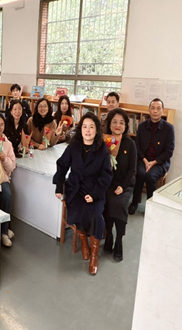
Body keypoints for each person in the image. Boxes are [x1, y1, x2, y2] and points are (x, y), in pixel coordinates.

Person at [53, 112, 113, 276]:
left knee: (96, 216)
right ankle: (83, 242)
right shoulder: (74, 146)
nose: (88, 130)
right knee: (77, 208)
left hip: (95, 189)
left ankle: (94, 255)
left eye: (91, 127)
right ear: (80, 129)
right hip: (76, 188)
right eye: (85, 127)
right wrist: (59, 186)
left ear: (96, 130)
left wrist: (94, 194)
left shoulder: (102, 149)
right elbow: (62, 165)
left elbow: (106, 175)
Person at [130, 98, 175, 214]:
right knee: (140, 174)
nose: (155, 111)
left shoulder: (169, 128)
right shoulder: (142, 126)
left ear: (162, 111)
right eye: (153, 108)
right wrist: (145, 161)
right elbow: (137, 146)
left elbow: (169, 151)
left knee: (150, 176)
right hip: (143, 159)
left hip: (160, 162)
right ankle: (134, 203)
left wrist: (154, 162)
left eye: (158, 108)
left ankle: (151, 207)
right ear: (149, 110)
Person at [103, 108, 136, 262]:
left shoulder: (130, 144)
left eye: (121, 123)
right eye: (114, 122)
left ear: (125, 126)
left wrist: (123, 186)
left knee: (120, 204)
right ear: (109, 124)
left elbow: (132, 169)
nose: (118, 125)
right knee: (107, 201)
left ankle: (119, 241)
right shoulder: (104, 141)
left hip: (124, 184)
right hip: (108, 183)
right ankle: (109, 234)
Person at [0, 114, 16, 247]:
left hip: (3, 179)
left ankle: (4, 232)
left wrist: (5, 159)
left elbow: (12, 166)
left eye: (1, 124)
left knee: (7, 195)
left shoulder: (7, 144)